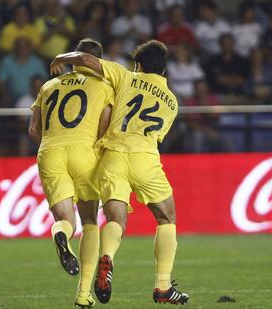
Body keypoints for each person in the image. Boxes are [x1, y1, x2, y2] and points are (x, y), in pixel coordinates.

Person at [50, 40, 189, 305]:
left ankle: (108, 257)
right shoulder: (171, 101)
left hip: (112, 156)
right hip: (144, 158)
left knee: (115, 217)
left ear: (138, 64)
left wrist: (61, 57)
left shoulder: (124, 76)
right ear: (163, 69)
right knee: (166, 217)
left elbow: (85, 59)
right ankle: (162, 286)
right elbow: (156, 136)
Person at [28, 38, 114, 308]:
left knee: (66, 219)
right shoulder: (103, 85)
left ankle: (60, 233)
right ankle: (83, 295)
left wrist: (53, 143)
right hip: (84, 151)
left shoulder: (48, 85)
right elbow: (104, 125)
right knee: (89, 221)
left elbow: (33, 130)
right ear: (96, 60)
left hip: (49, 151)